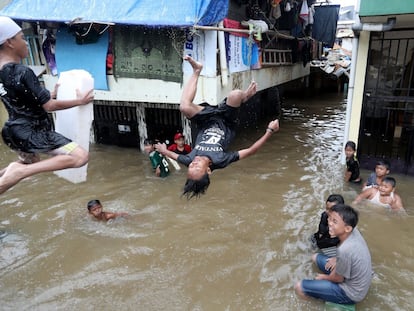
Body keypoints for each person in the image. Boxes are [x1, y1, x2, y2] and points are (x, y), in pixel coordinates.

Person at [155, 55, 280, 198]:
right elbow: (251, 151)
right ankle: (245, 97)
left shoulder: (189, 159)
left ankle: (197, 70)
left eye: (190, 167)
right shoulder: (220, 160)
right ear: (208, 170)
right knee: (235, 95)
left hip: (206, 119)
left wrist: (163, 150)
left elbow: (174, 155)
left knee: (184, 107)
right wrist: (270, 131)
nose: (192, 163)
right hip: (227, 121)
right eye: (196, 167)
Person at [0, 16, 94, 195]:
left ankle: (15, 170)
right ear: (9, 42)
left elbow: (19, 99)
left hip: (12, 133)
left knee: (31, 162)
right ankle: (20, 171)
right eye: (21, 38)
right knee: (79, 157)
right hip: (33, 132)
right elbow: (49, 106)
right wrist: (80, 101)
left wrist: (49, 94)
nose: (26, 43)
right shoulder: (22, 71)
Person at [295, 204, 372, 305]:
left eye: (334, 221)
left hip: (351, 293)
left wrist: (324, 277)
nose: (330, 223)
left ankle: (315, 305)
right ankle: (323, 291)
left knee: (299, 286)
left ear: (347, 228)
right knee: (315, 257)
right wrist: (337, 259)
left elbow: (338, 278)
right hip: (358, 281)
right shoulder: (353, 231)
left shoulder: (345, 250)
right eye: (329, 219)